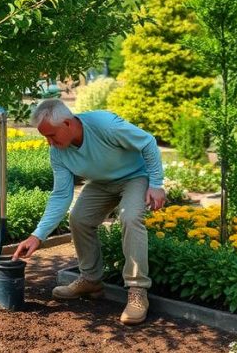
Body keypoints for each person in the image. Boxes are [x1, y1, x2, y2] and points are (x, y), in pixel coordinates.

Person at [12, 99, 165, 325]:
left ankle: (137, 291)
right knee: (79, 219)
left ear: (67, 123)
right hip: (101, 183)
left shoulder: (105, 125)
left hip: (134, 177)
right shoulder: (58, 153)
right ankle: (91, 280)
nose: (49, 143)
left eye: (51, 135)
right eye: (45, 137)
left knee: (130, 217)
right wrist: (38, 235)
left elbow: (147, 142)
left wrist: (156, 183)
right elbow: (61, 195)